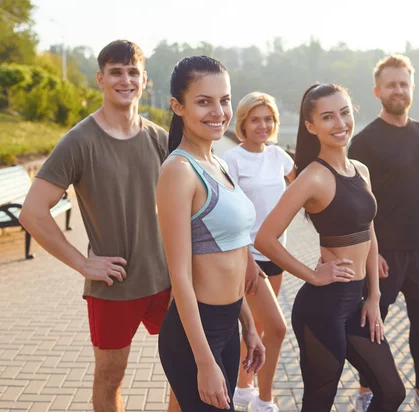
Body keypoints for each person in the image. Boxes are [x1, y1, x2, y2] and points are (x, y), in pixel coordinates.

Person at [19, 40, 182, 412]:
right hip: (112, 286)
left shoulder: (161, 139)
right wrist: (83, 263)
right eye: (116, 72)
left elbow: (189, 207)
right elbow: (32, 212)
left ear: (144, 81)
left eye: (132, 72)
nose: (125, 80)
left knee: (184, 369)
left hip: (166, 280)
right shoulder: (79, 141)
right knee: (110, 379)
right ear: (101, 79)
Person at [254, 83, 405, 412]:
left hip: (359, 301)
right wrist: (313, 275)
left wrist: (375, 297)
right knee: (320, 401)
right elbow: (264, 238)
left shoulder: (360, 170)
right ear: (311, 127)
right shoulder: (312, 177)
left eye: (345, 112)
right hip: (321, 308)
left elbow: (369, 229)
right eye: (327, 117)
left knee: (392, 392)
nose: (340, 123)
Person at [157, 56, 266, 412]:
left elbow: (233, 259)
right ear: (178, 106)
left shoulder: (217, 162)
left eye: (224, 99)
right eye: (203, 101)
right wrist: (205, 363)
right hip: (194, 338)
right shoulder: (179, 170)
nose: (218, 111)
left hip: (227, 327)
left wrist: (248, 326)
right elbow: (181, 277)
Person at [348, 55, 419, 412]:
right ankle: (365, 390)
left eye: (404, 83)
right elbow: (356, 203)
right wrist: (368, 252)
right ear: (378, 91)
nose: (398, 89)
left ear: (413, 88)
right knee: (370, 326)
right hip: (384, 253)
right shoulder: (364, 142)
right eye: (391, 84)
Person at [221, 92, 295, 412]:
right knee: (274, 328)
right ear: (243, 123)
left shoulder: (279, 156)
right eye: (255, 119)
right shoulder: (232, 160)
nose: (262, 125)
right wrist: (247, 259)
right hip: (249, 257)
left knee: (261, 328)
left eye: (268, 119)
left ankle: (242, 387)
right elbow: (229, 212)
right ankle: (264, 401)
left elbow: (302, 188)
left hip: (276, 254)